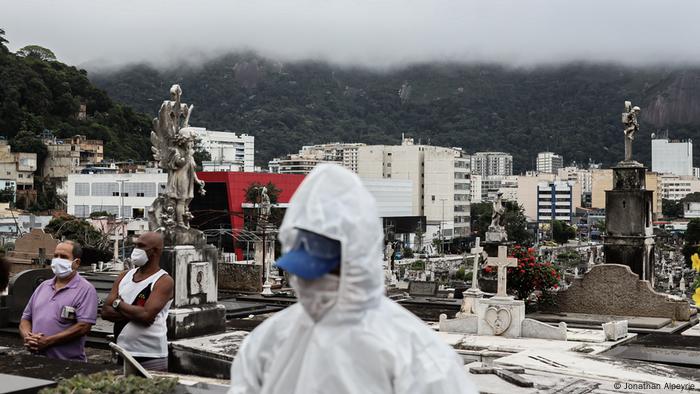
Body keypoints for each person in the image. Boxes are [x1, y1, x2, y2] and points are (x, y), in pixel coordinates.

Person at [229, 164, 477, 394]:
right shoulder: (268, 343)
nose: (307, 282)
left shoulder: (415, 355)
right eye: (301, 271)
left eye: (321, 270)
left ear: (356, 262)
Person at [102, 232, 173, 371]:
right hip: (122, 351)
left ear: (155, 251)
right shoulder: (124, 276)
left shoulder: (163, 280)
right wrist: (136, 313)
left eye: (141, 246)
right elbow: (105, 311)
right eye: (135, 245)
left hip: (150, 354)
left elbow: (146, 315)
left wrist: (118, 304)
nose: (136, 250)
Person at [19, 240, 98, 362]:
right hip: (35, 359)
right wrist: (29, 338)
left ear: (76, 263)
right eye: (56, 256)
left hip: (67, 362)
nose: (58, 260)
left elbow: (84, 326)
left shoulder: (86, 290)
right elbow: (26, 319)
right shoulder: (43, 286)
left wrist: (48, 341)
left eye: (64, 257)